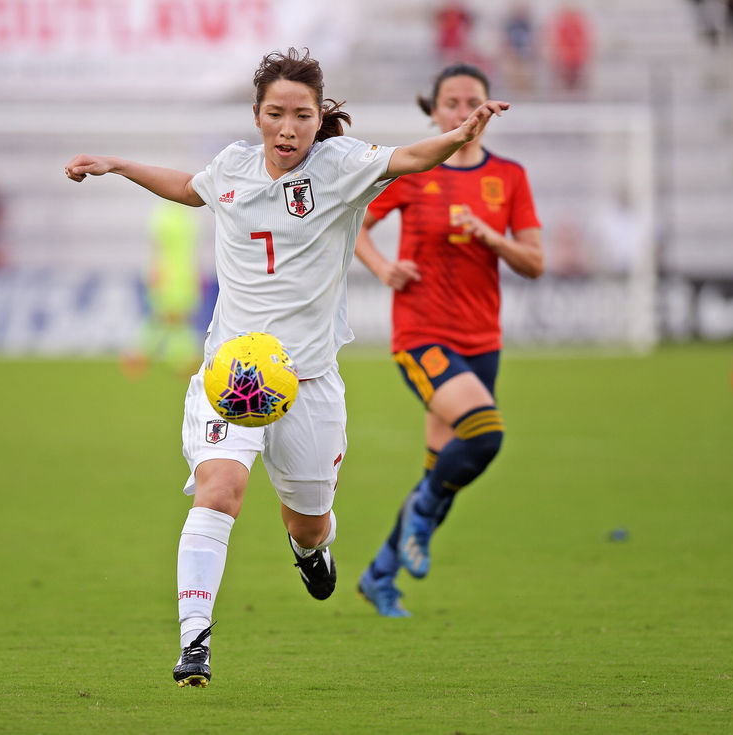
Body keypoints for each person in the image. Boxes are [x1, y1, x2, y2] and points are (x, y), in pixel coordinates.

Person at [64, 48, 510, 686]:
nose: (288, 128)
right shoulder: (233, 168)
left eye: (302, 115)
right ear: (256, 115)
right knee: (221, 489)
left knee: (308, 516)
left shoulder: (343, 169)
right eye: (275, 114)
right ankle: (195, 643)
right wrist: (116, 164)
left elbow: (409, 158)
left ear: (318, 116)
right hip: (235, 374)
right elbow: (188, 189)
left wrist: (458, 136)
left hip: (309, 383)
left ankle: (311, 550)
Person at [354, 64, 543, 617]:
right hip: (423, 335)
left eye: (473, 101)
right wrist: (384, 269)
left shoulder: (508, 177)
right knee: (483, 434)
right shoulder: (414, 171)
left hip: (482, 341)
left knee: (446, 466)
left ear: (490, 108)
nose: (464, 112)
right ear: (433, 111)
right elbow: (354, 225)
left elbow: (535, 261)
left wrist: (492, 238)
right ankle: (420, 517)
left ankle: (380, 576)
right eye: (452, 103)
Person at [121, 201, 203, 377]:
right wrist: (155, 270)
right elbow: (156, 247)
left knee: (173, 320)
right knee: (168, 318)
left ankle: (143, 355)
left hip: (184, 276)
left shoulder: (185, 216)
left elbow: (190, 250)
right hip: (169, 276)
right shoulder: (165, 216)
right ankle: (178, 359)